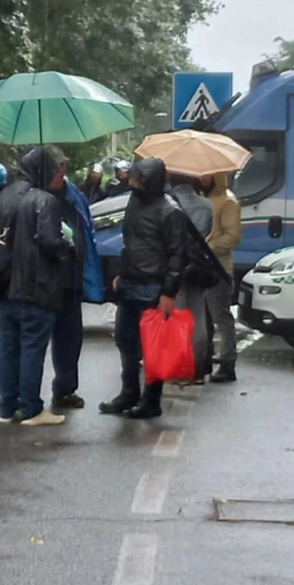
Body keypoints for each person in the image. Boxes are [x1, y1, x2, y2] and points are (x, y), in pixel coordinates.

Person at [100, 158, 190, 420]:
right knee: (125, 340)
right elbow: (129, 241)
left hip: (153, 286)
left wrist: (168, 293)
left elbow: (177, 255)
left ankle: (151, 399)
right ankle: (129, 392)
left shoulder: (170, 211)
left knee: (153, 347)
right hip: (131, 283)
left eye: (136, 177)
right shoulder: (135, 201)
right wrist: (121, 272)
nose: (131, 181)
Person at [0, 147, 74, 426]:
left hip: (4, 284)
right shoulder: (44, 200)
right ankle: (31, 409)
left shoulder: (3, 196)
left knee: (7, 347)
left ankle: (6, 407)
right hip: (36, 287)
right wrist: (67, 245)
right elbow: (49, 241)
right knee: (32, 348)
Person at [49, 166, 104, 411]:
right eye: (56, 172)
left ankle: (66, 388)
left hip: (71, 280)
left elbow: (87, 232)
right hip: (42, 281)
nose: (61, 176)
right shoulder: (33, 197)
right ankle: (25, 397)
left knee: (70, 338)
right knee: (33, 341)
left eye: (63, 171)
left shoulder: (75, 197)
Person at [169, 173, 214, 383]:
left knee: (178, 316)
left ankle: (180, 366)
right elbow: (206, 234)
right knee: (198, 317)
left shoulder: (168, 203)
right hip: (198, 265)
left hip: (175, 265)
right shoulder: (206, 205)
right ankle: (197, 367)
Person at [203, 173, 243, 383]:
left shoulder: (228, 201)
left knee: (220, 317)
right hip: (203, 267)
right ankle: (205, 358)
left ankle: (228, 363)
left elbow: (233, 236)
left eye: (207, 176)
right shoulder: (204, 199)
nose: (202, 178)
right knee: (204, 318)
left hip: (219, 269)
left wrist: (208, 247)